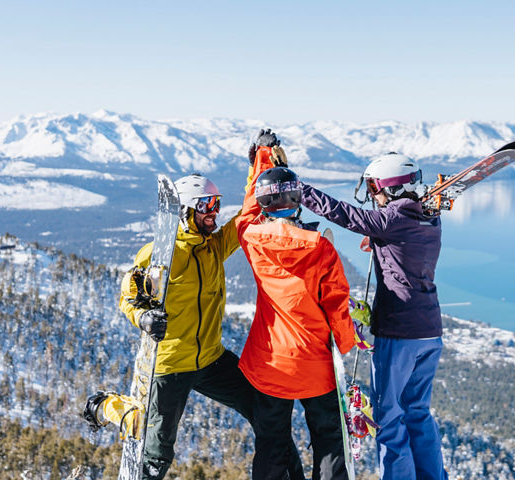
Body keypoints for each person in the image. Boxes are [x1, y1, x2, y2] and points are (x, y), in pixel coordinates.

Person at [82, 173, 304, 480]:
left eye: (216, 204)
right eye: (205, 205)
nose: (213, 212)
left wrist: (261, 163)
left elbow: (246, 216)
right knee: (156, 454)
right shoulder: (161, 254)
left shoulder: (213, 246)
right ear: (185, 211)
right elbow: (128, 297)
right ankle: (108, 406)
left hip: (211, 358)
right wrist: (144, 318)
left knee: (267, 414)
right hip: (172, 364)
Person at [299, 153, 448, 480]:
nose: (373, 196)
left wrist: (300, 190)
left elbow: (344, 214)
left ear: (392, 188)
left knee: (389, 416)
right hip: (430, 331)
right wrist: (381, 239)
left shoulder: (392, 221)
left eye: (375, 188)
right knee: (418, 412)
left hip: (400, 333)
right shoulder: (429, 218)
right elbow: (402, 237)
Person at [236, 130, 357, 480]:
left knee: (272, 443)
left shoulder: (251, 238)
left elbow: (248, 210)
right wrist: (345, 344)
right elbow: (337, 303)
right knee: (329, 441)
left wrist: (261, 156)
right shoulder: (321, 247)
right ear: (296, 200)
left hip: (270, 363)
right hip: (316, 366)